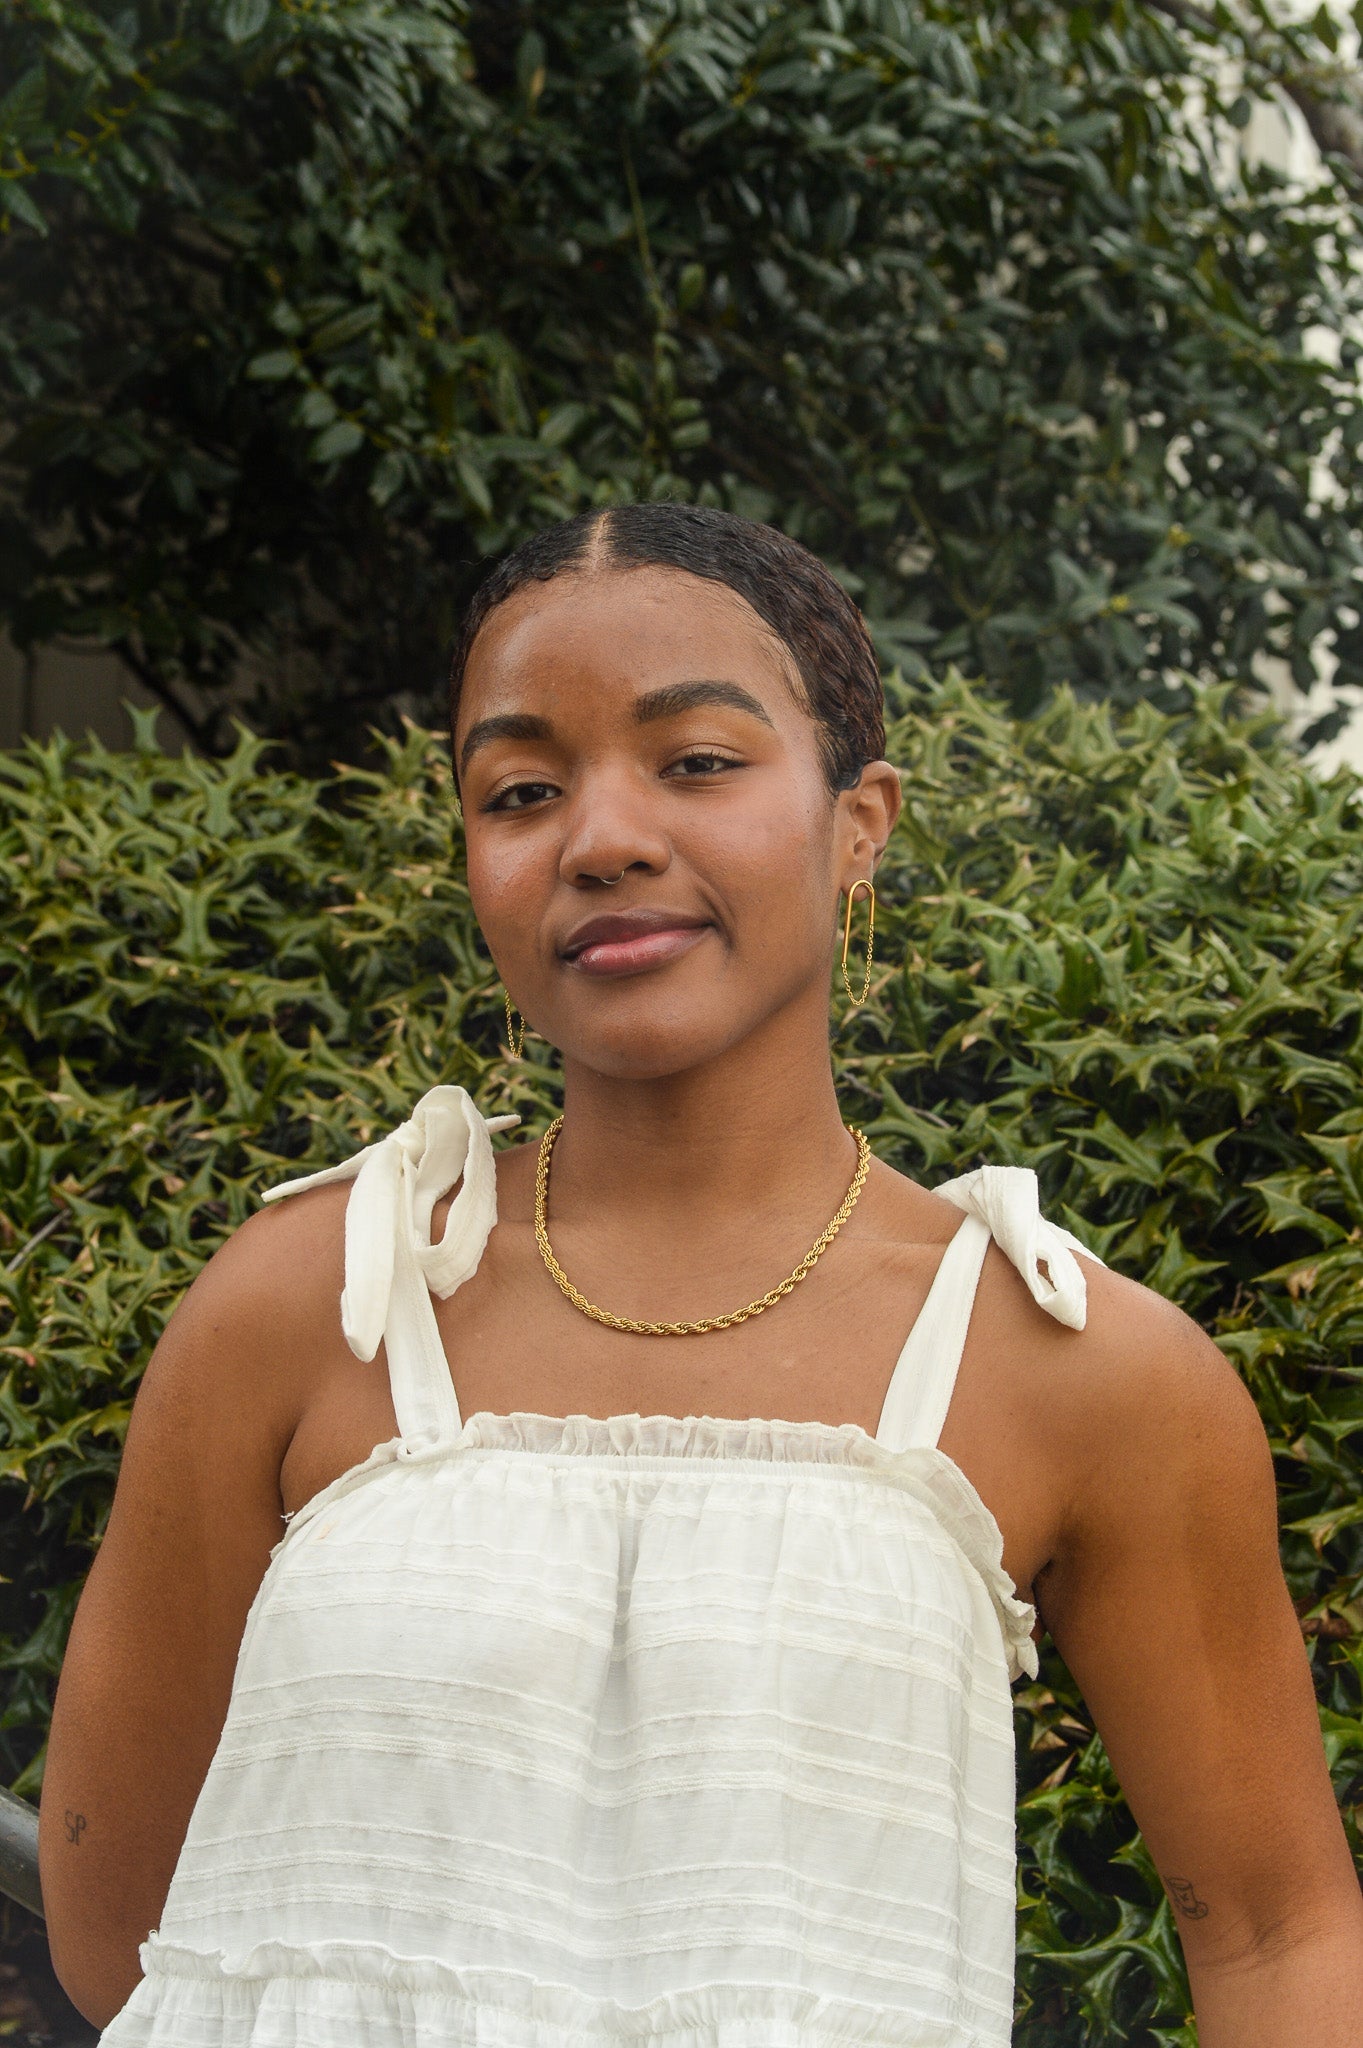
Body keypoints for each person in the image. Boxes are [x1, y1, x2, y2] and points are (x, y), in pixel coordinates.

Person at [40, 504, 1362, 2046]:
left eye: (699, 761)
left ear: (858, 822)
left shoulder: (1073, 1367)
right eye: (520, 790)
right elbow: (122, 1929)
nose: (602, 839)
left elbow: (1276, 1934)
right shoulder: (312, 1307)